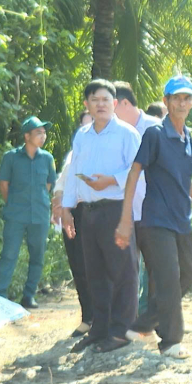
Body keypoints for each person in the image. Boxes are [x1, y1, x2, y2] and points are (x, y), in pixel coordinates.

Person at [115, 75, 192, 358]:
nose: (182, 103)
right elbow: (134, 172)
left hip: (181, 220)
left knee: (188, 274)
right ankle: (171, 342)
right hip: (155, 221)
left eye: (187, 98)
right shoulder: (155, 135)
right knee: (169, 280)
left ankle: (143, 323)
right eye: (176, 98)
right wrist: (126, 220)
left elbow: (186, 179)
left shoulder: (187, 138)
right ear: (166, 101)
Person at [61, 80, 142, 354]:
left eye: (106, 99)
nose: (101, 104)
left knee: (123, 271)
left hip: (117, 208)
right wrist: (67, 208)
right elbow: (73, 174)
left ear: (115, 104)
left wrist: (111, 181)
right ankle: (100, 328)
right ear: (87, 104)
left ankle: (120, 331)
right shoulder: (82, 135)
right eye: (95, 100)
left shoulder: (127, 134)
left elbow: (137, 171)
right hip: (89, 211)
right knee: (94, 271)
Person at [0, 116, 57, 309]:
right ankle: (0, 296)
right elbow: (4, 184)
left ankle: (29, 296)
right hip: (16, 214)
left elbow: (49, 184)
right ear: (27, 136)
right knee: (9, 254)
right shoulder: (11, 157)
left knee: (37, 255)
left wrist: (38, 200)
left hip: (39, 214)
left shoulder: (47, 158)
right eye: (38, 132)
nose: (43, 136)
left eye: (44, 133)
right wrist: (13, 202)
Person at [112, 81, 161, 321]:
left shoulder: (156, 127)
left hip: (154, 209)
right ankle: (127, 315)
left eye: (112, 106)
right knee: (126, 265)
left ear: (123, 103)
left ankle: (149, 315)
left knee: (153, 267)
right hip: (125, 210)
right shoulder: (115, 132)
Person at [53, 111, 94, 337]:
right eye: (84, 127)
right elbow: (62, 180)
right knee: (78, 266)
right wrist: (58, 200)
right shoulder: (74, 154)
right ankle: (88, 316)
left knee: (97, 268)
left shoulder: (110, 153)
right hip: (73, 213)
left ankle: (105, 318)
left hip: (97, 212)